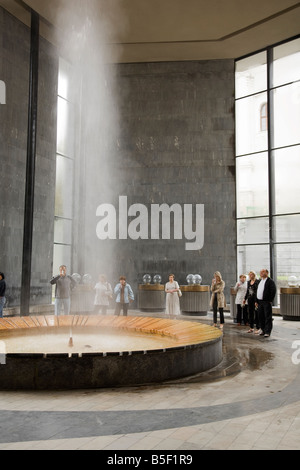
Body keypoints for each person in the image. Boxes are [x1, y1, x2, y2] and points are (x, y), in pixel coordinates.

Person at [255, 269, 277, 337]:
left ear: (267, 273)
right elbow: (257, 291)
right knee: (261, 316)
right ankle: (263, 330)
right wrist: (256, 301)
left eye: (263, 272)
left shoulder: (270, 281)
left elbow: (273, 291)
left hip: (266, 301)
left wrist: (270, 300)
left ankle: (267, 331)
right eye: (260, 272)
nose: (261, 273)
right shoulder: (260, 281)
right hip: (260, 302)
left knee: (267, 317)